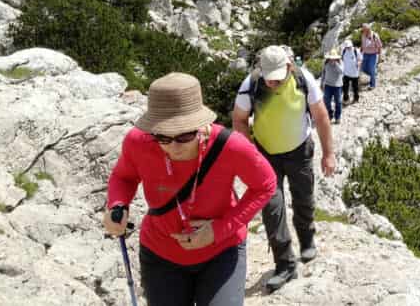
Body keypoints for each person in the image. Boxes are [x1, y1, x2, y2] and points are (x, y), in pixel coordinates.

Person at [103, 73, 275, 306]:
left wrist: (220, 229)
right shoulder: (138, 142)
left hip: (221, 252)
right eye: (162, 137)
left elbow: (265, 185)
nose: (173, 147)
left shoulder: (231, 146)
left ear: (201, 125)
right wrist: (117, 204)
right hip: (161, 255)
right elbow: (123, 177)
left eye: (185, 135)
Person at [231, 45, 336, 293]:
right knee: (271, 208)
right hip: (265, 156)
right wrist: (250, 155)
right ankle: (285, 263)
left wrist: (329, 154)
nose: (271, 85)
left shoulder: (303, 79)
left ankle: (307, 238)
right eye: (268, 79)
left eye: (277, 79)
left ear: (289, 67)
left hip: (300, 150)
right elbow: (238, 119)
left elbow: (321, 117)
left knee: (304, 198)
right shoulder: (252, 83)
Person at [320, 47, 344, 124]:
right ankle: (330, 114)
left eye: (333, 58)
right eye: (331, 58)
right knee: (326, 101)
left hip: (338, 86)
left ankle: (338, 117)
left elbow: (341, 72)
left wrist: (336, 64)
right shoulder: (326, 62)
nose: (332, 59)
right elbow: (323, 73)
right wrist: (321, 83)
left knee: (338, 102)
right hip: (328, 85)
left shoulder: (340, 62)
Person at [359, 24, 384, 90]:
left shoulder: (374, 36)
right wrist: (360, 51)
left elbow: (379, 46)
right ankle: (373, 75)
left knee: (371, 68)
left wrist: (380, 56)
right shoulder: (363, 35)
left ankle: (372, 84)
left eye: (364, 30)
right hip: (365, 54)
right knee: (363, 67)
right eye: (363, 30)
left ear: (368, 30)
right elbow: (362, 43)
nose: (363, 31)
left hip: (373, 54)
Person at [341, 38, 361, 104]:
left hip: (354, 73)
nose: (348, 48)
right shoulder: (343, 51)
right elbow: (341, 60)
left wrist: (358, 63)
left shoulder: (356, 51)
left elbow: (360, 59)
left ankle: (356, 98)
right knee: (345, 88)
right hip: (346, 72)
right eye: (347, 47)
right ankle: (346, 99)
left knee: (355, 87)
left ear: (351, 45)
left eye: (349, 46)